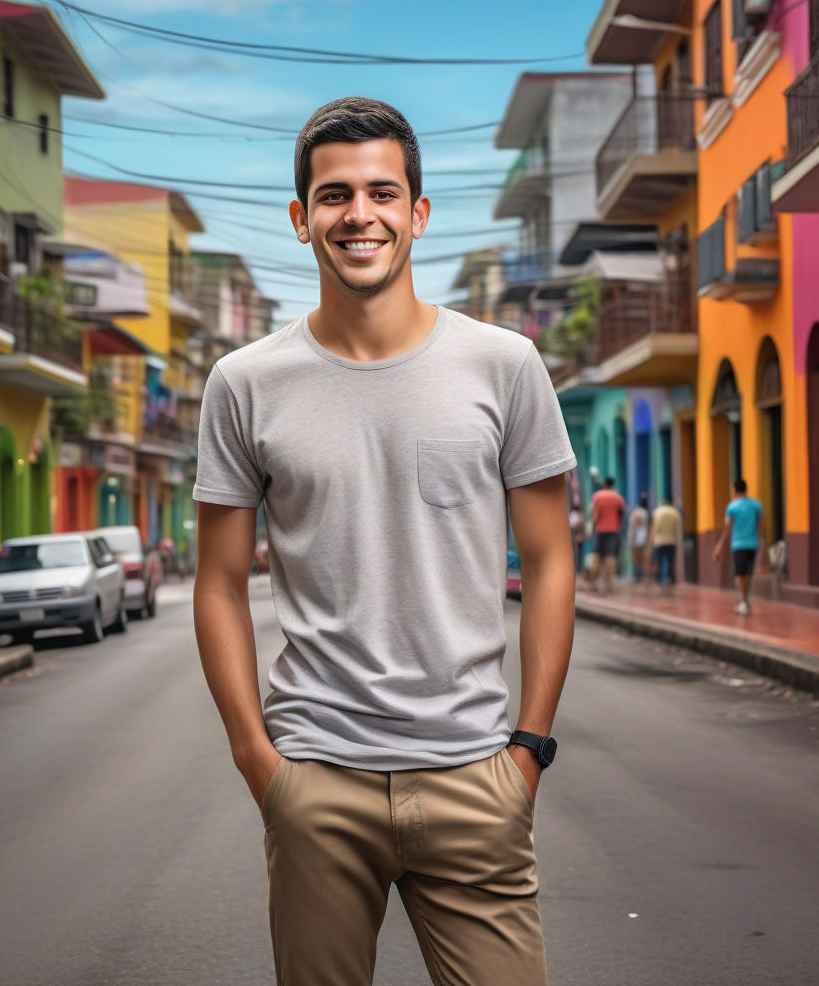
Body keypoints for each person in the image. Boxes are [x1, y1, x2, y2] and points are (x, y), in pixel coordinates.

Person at [193, 97, 577, 986]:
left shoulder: (504, 364)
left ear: (417, 212)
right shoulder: (244, 383)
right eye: (333, 196)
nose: (357, 215)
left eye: (381, 192)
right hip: (317, 778)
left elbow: (551, 561)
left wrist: (529, 751)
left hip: (476, 775)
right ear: (301, 218)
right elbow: (217, 584)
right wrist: (262, 764)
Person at [712, 479, 765, 615]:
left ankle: (743, 600)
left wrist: (719, 546)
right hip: (753, 544)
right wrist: (763, 542)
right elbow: (762, 525)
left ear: (735, 491)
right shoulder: (756, 505)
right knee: (747, 573)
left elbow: (727, 528)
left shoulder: (732, 507)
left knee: (739, 574)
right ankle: (745, 600)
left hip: (738, 544)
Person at [590, 476, 625, 595]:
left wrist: (592, 530)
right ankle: (609, 582)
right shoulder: (618, 498)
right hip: (613, 530)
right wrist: (618, 525)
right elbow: (621, 514)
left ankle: (594, 579)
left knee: (597, 556)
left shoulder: (597, 496)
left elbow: (594, 515)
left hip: (600, 530)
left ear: (604, 484)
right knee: (611, 556)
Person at [649, 498, 682, 593]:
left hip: (658, 541)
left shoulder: (656, 512)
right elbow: (677, 528)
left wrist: (650, 542)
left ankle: (661, 579)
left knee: (660, 561)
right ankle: (669, 578)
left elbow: (653, 528)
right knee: (670, 561)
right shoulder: (674, 512)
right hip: (671, 541)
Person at [627, 492, 650, 583]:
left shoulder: (636, 512)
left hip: (636, 539)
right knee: (641, 558)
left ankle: (639, 575)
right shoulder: (643, 513)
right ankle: (640, 575)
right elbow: (638, 523)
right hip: (640, 539)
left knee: (637, 559)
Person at [569, 501, 587, 574]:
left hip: (578, 538)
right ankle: (577, 568)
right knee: (576, 553)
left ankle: (578, 568)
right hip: (575, 537)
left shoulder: (577, 515)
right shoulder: (575, 515)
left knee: (579, 553)